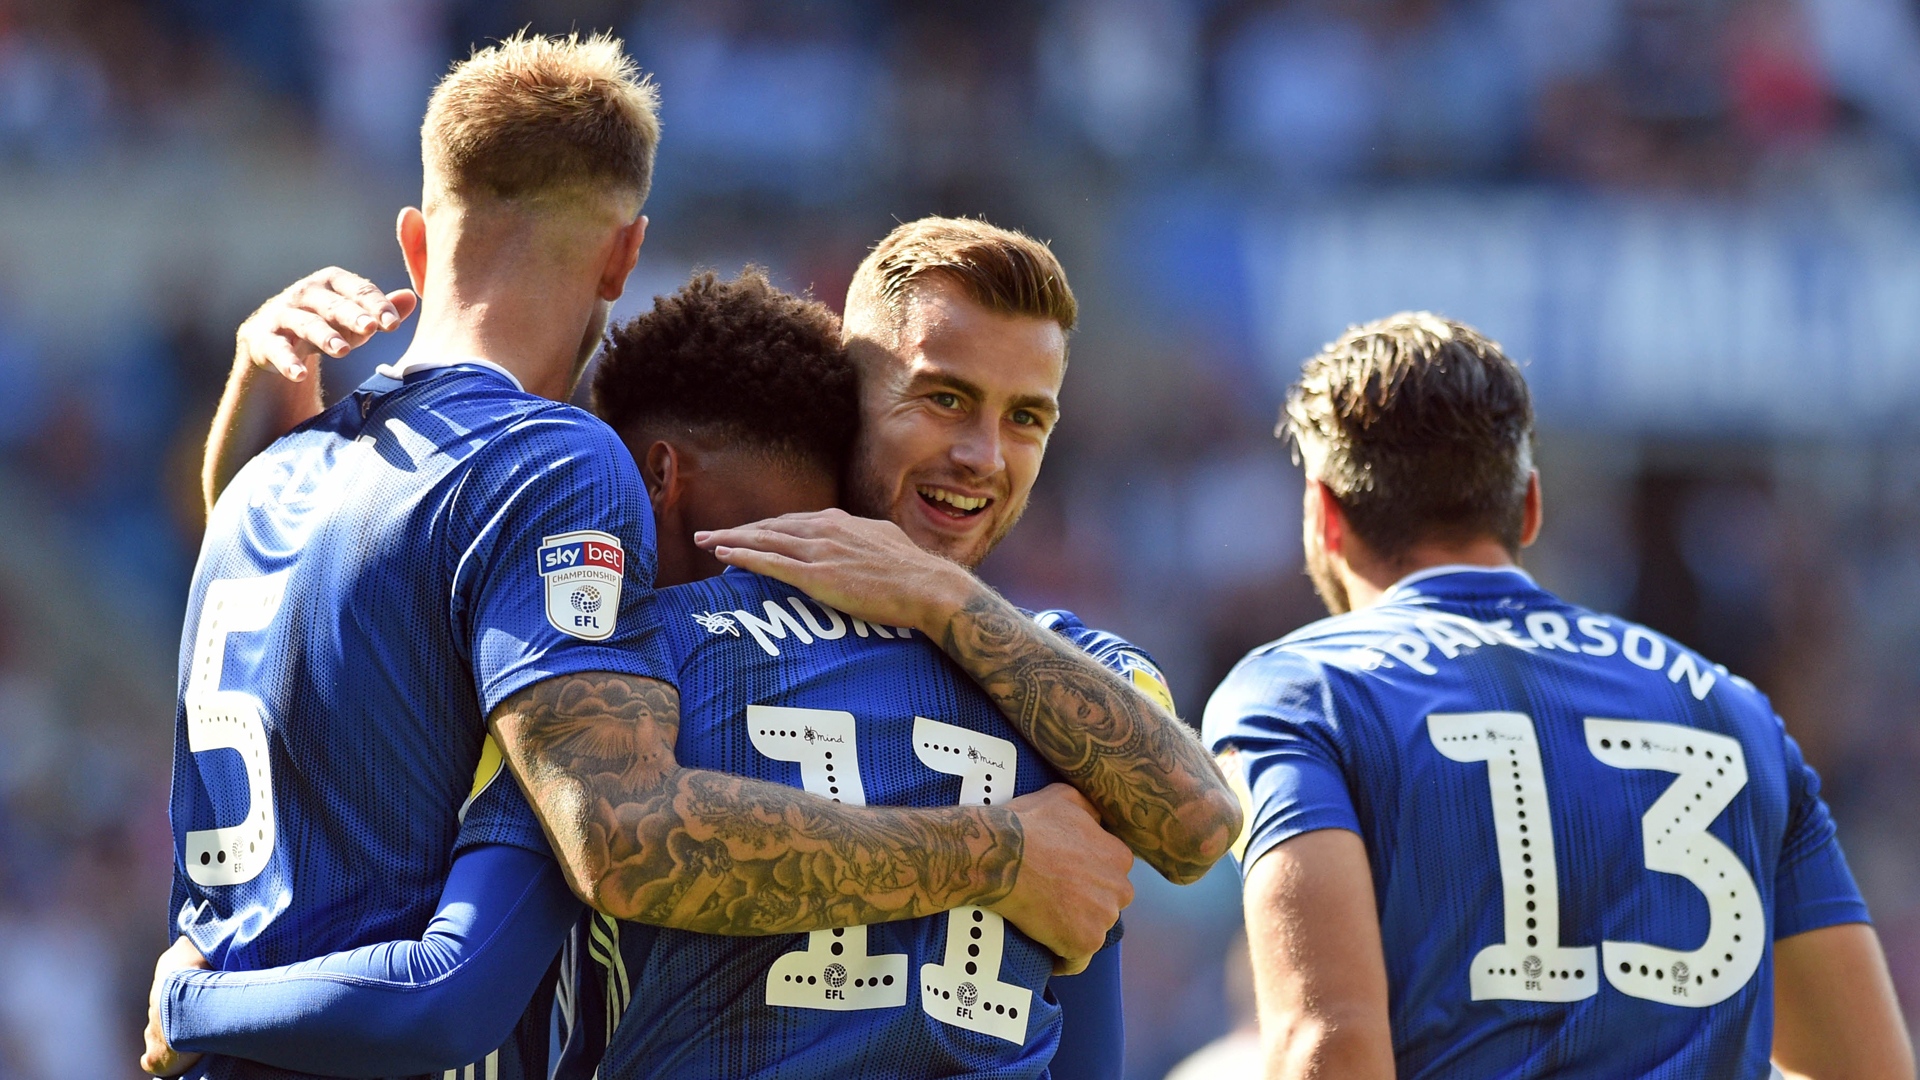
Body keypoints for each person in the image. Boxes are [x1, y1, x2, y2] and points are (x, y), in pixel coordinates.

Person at [156, 34, 1132, 1080]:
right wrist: (1006, 851)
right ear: (624, 257)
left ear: (415, 242)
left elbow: (334, 570)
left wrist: (262, 383)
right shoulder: (559, 466)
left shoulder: (267, 484)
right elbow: (605, 847)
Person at [1202, 313, 1913, 1080]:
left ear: (1324, 518)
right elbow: (1871, 1068)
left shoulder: (1302, 694)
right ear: (1530, 506)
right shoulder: (1731, 709)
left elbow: (1330, 1047)